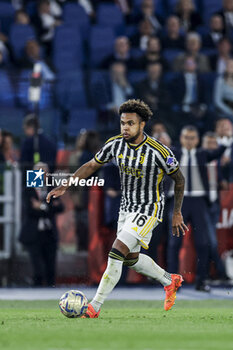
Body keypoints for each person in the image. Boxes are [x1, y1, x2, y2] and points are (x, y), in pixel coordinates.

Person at [47, 99, 188, 318]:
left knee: (116, 251)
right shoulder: (114, 144)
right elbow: (92, 165)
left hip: (149, 209)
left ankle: (95, 305)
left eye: (130, 123)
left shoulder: (159, 151)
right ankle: (170, 280)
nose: (125, 127)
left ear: (142, 125)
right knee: (130, 259)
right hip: (126, 208)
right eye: (122, 123)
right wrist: (66, 183)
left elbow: (179, 180)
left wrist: (176, 212)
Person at [167, 125, 228, 291]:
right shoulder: (172, 154)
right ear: (181, 138)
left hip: (199, 201)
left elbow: (217, 153)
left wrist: (225, 139)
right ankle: (172, 283)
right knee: (174, 243)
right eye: (186, 137)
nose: (189, 141)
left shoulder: (202, 154)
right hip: (179, 201)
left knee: (203, 243)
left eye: (192, 138)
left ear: (197, 140)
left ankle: (201, 281)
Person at [19, 162, 64, 286]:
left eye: (45, 172)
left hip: (49, 232)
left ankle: (50, 289)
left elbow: (60, 207)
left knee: (51, 265)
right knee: (37, 266)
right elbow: (30, 210)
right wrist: (49, 207)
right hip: (33, 232)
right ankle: (36, 289)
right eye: (39, 171)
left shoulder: (52, 188)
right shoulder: (27, 189)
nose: (43, 175)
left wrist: (42, 206)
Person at [202, 132, 229, 280]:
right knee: (210, 241)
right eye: (209, 143)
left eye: (214, 143)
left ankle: (208, 274)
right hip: (202, 204)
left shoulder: (218, 161)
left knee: (208, 241)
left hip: (214, 204)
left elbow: (219, 177)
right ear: (203, 145)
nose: (212, 146)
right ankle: (220, 272)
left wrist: (221, 181)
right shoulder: (199, 159)